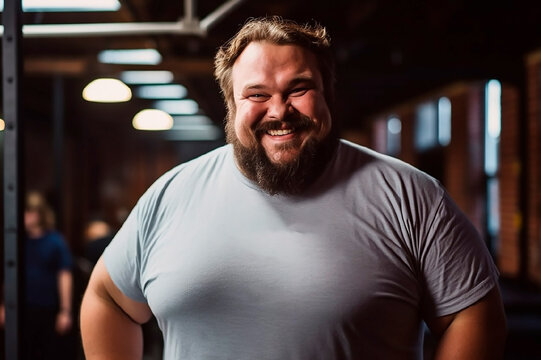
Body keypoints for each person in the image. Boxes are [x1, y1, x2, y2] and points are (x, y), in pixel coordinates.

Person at [80, 16, 507, 359]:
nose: (279, 111)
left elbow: (474, 314)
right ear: (232, 106)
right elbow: (108, 299)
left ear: (328, 94)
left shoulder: (411, 196)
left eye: (298, 89)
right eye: (257, 94)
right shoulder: (171, 194)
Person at [1, 191, 74, 359]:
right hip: (21, 308)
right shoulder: (18, 241)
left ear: (39, 214)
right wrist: (5, 305)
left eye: (29, 212)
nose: (25, 216)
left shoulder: (55, 241)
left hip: (48, 310)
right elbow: (9, 274)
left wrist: (65, 311)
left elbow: (65, 276)